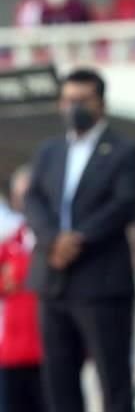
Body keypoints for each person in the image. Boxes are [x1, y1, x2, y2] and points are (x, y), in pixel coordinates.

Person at [24, 68, 135, 412]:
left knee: (113, 379)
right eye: (69, 100)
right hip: (53, 279)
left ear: (101, 103)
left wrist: (76, 240)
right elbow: (33, 199)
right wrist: (52, 241)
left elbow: (124, 204)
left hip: (101, 280)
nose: (74, 107)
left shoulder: (124, 150)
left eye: (83, 100)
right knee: (59, 380)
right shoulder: (49, 151)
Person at [0, 166, 45, 412]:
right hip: (11, 355)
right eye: (21, 196)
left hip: (50, 354)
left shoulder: (57, 244)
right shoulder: (8, 245)